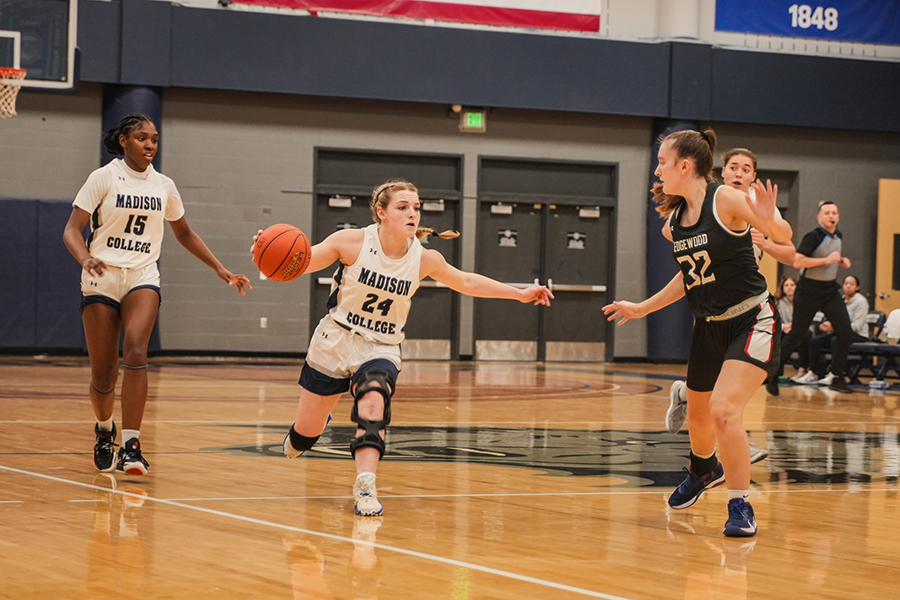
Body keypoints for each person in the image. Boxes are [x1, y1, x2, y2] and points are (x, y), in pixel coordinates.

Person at [274, 178, 553, 517]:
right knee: (301, 440)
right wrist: (267, 251)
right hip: (335, 340)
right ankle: (307, 430)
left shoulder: (424, 258)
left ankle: (365, 486)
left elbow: (465, 281)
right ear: (382, 213)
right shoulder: (351, 242)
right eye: (403, 207)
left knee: (374, 398)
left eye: (416, 208)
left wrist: (519, 293)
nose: (412, 214)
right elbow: (301, 260)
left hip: (382, 345)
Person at [604, 129, 792, 537]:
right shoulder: (674, 223)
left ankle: (740, 503)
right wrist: (641, 307)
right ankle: (704, 469)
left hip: (752, 318)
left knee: (725, 411)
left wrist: (769, 214)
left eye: (662, 162)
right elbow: (689, 277)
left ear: (684, 166)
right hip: (709, 326)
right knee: (700, 415)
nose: (657, 170)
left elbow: (783, 237)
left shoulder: (724, 198)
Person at [62, 113, 251, 475]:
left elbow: (183, 233)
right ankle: (105, 430)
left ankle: (132, 445)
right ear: (124, 141)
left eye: (155, 140)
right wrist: (85, 258)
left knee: (136, 349)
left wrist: (219, 268)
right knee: (103, 378)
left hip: (142, 275)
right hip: (101, 276)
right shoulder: (103, 177)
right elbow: (72, 229)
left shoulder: (164, 185)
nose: (150, 145)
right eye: (142, 138)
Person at [665, 148, 795, 467]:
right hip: (712, 307)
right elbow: (689, 265)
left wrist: (766, 240)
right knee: (717, 389)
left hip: (746, 307)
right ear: (722, 172)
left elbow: (790, 251)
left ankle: (706, 412)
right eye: (733, 167)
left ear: (753, 176)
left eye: (746, 168)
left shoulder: (758, 207)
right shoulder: (706, 203)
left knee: (732, 389)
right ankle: (692, 401)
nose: (738, 173)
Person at [766, 201, 854, 395]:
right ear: (819, 217)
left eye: (834, 213)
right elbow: (797, 261)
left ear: (838, 217)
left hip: (829, 290)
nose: (831, 215)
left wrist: (839, 260)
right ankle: (772, 373)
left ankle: (836, 376)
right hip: (808, 291)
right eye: (827, 213)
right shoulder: (813, 236)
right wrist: (826, 260)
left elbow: (830, 257)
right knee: (797, 335)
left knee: (845, 331)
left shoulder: (838, 235)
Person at [795, 275, 868, 384]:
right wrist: (828, 325)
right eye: (846, 283)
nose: (848, 286)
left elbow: (857, 325)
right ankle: (814, 373)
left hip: (858, 334)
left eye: (851, 284)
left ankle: (835, 374)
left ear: (857, 287)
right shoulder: (841, 300)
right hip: (839, 332)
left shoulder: (861, 301)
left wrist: (834, 326)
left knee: (836, 340)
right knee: (815, 341)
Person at [773, 276, 814, 382]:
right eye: (786, 285)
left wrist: (794, 326)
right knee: (777, 338)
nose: (789, 288)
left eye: (792, 285)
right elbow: (773, 321)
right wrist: (783, 327)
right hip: (784, 330)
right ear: (782, 288)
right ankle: (776, 372)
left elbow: (808, 318)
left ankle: (802, 370)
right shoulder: (777, 302)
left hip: (799, 329)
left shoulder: (803, 301)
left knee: (805, 335)